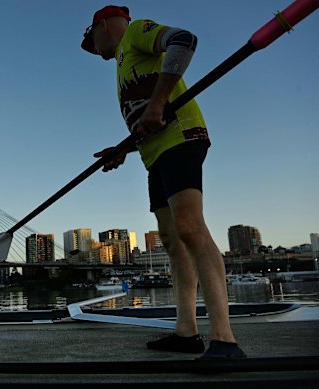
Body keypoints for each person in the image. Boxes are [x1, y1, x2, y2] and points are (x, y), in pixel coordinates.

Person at [81, 6, 246, 359]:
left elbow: (184, 41)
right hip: (153, 154)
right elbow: (145, 115)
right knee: (172, 241)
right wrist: (122, 149)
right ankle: (186, 332)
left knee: (189, 228)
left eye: (91, 41)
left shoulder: (137, 31)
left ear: (103, 25)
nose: (93, 51)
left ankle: (224, 338)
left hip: (180, 139)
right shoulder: (123, 63)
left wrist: (157, 104)